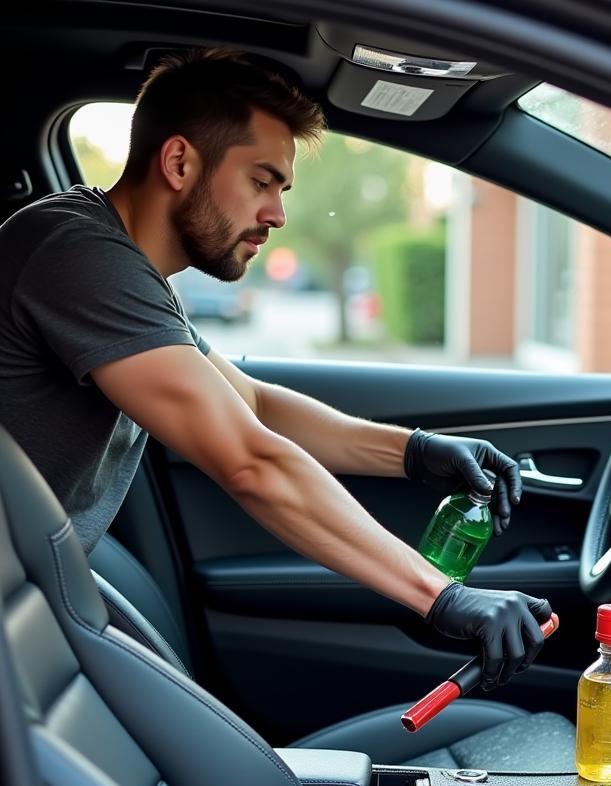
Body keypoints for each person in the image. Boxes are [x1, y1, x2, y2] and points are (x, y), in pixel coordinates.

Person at [0, 48, 550, 689]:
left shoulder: (125, 266)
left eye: (280, 190)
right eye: (261, 181)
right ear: (179, 162)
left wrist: (417, 452)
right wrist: (440, 596)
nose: (277, 215)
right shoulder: (79, 257)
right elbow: (249, 460)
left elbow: (251, 406)